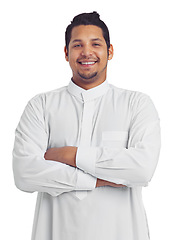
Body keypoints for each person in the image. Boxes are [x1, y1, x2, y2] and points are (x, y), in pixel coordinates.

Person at [13, 11, 161, 240]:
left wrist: (68, 155)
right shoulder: (41, 106)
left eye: (96, 44)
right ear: (66, 53)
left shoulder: (136, 104)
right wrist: (98, 179)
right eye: (77, 45)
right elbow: (24, 174)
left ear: (110, 51)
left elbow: (142, 169)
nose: (86, 52)